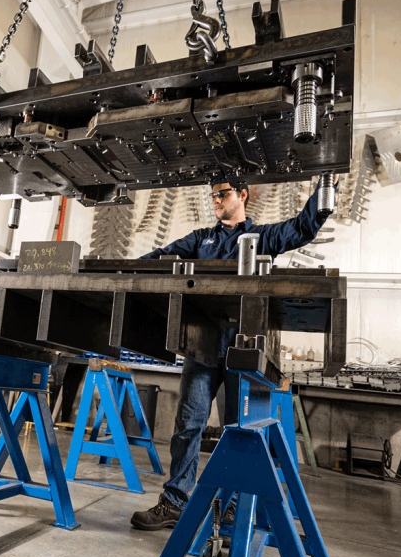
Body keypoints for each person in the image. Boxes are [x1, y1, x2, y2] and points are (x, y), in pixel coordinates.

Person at [130, 180, 330, 530]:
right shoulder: (200, 240)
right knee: (187, 427)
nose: (216, 200)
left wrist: (324, 193)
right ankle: (175, 502)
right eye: (212, 196)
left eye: (222, 193)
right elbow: (160, 258)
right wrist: (119, 270)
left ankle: (236, 507)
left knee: (238, 431)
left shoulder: (262, 238)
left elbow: (300, 229)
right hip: (202, 348)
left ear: (242, 195)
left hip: (244, 349)